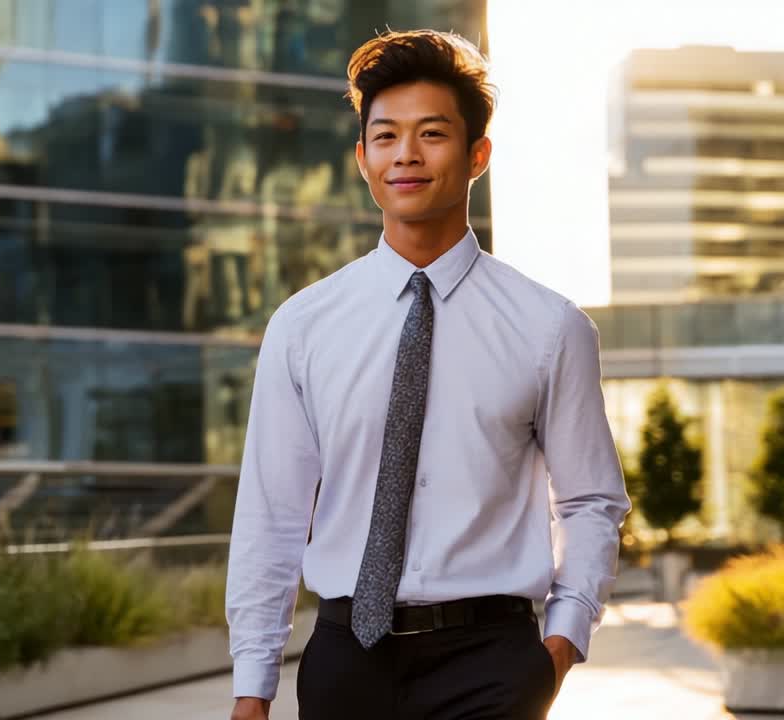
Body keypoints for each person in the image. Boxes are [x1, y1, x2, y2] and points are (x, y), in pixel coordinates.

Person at [225, 29, 630, 720]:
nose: (405, 155)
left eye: (432, 134)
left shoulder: (549, 327)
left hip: (491, 664)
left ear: (478, 155)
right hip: (346, 660)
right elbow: (272, 513)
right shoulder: (303, 327)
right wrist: (251, 686)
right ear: (362, 158)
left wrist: (559, 645)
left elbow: (591, 501)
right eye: (385, 137)